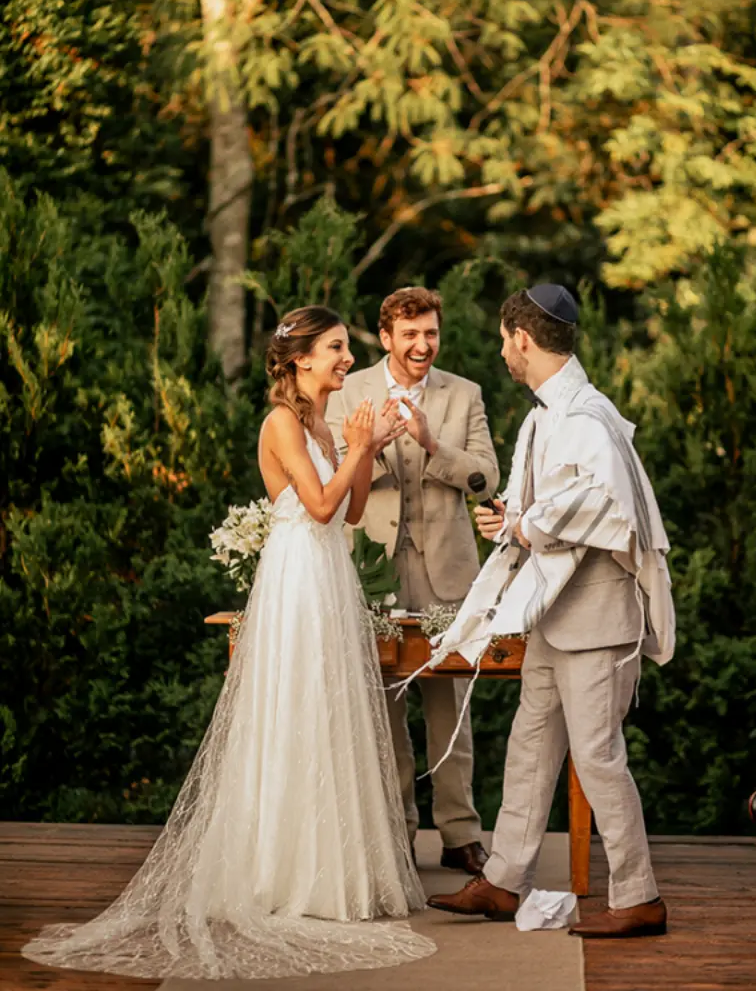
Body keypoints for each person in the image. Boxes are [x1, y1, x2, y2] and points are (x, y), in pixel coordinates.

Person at [23, 305, 436, 980]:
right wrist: (362, 448)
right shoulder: (279, 423)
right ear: (300, 359)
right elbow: (320, 506)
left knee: (329, 718)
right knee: (295, 712)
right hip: (297, 582)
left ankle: (330, 874)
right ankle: (281, 876)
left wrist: (373, 445)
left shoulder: (324, 425)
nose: (345, 361)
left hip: (330, 578)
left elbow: (354, 510)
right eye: (335, 349)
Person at [426, 284, 675, 938]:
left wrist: (526, 526)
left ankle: (639, 895)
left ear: (522, 338)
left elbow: (597, 508)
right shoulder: (546, 417)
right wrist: (511, 520)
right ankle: (505, 881)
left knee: (597, 756)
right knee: (530, 745)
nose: (503, 351)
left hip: (596, 623)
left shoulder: (587, 418)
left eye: (504, 340)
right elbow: (553, 509)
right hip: (554, 619)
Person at [327, 287, 499, 876]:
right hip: (374, 571)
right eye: (411, 335)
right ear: (386, 338)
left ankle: (460, 834)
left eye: (430, 333)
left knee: (452, 708)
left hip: (447, 573)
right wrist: (370, 443)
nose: (423, 345)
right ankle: (396, 835)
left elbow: (485, 477)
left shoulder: (465, 394)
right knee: (384, 710)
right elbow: (330, 472)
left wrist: (430, 442)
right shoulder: (347, 393)